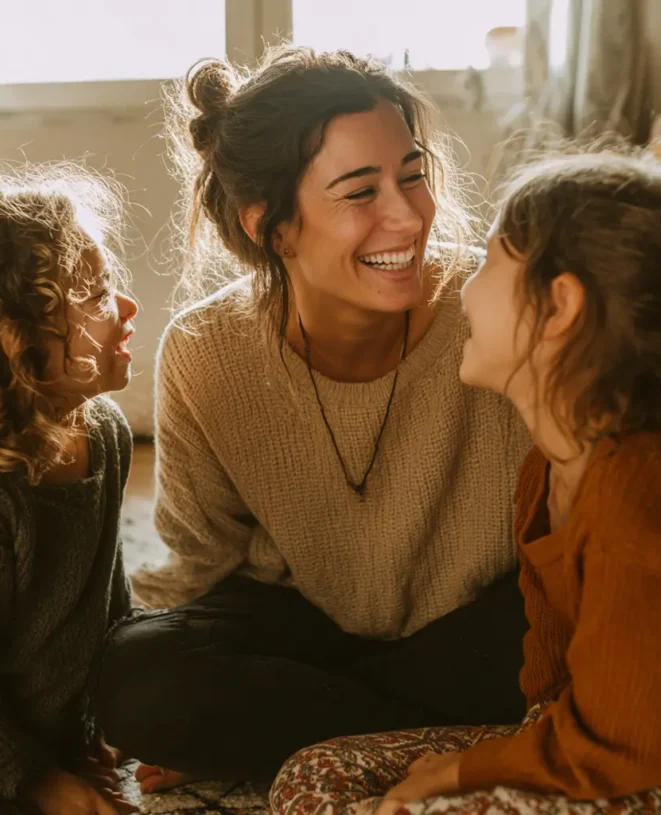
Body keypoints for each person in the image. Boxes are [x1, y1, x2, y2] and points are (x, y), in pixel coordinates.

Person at [94, 46, 530, 793]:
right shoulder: (208, 349)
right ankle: (440, 735)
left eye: (413, 175)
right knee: (135, 677)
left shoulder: (495, 305)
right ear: (269, 224)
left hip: (478, 628)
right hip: (308, 623)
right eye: (360, 191)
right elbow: (201, 561)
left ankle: (344, 734)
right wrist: (159, 697)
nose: (407, 214)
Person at [269, 149, 661, 815]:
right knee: (315, 773)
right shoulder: (547, 463)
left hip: (636, 762)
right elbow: (549, 673)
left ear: (559, 304)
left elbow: (619, 747)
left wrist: (458, 775)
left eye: (488, 262)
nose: (460, 287)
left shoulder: (631, 491)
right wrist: (491, 757)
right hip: (583, 739)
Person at [0, 164, 139, 815]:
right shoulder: (1, 491)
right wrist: (32, 776)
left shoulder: (103, 431)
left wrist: (99, 726)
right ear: (19, 341)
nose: (128, 308)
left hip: (48, 730)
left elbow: (106, 597)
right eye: (101, 295)